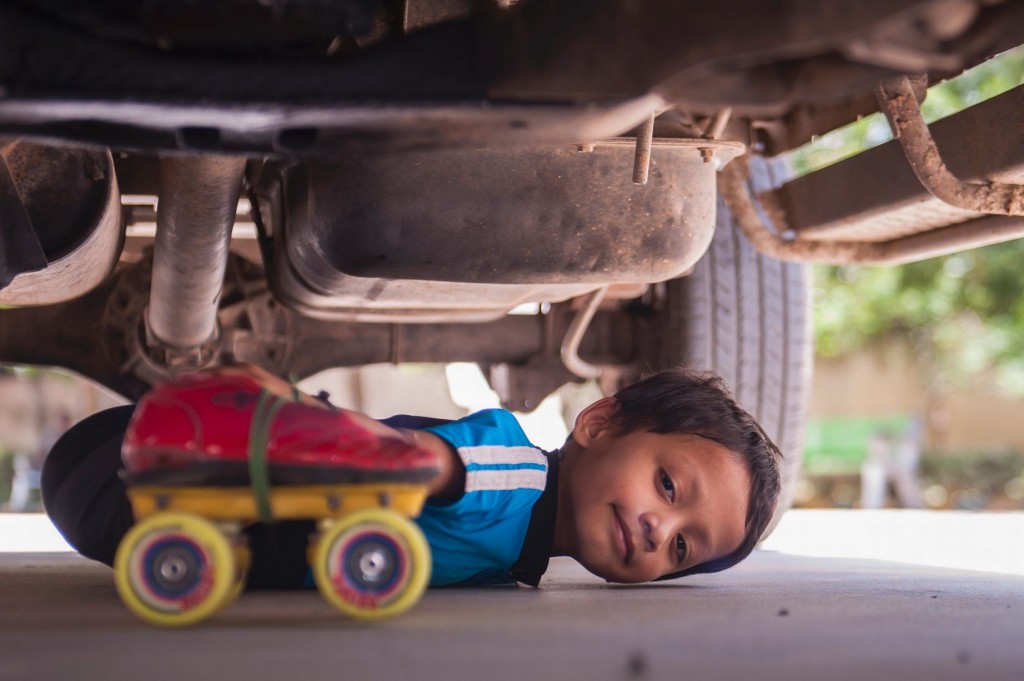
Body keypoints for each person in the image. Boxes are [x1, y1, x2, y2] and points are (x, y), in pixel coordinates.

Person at [41, 366, 781, 589]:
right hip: (120, 470)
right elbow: (436, 462)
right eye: (669, 487)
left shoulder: (520, 549)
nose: (659, 528)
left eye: (681, 548)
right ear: (600, 424)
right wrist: (310, 423)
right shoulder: (518, 473)